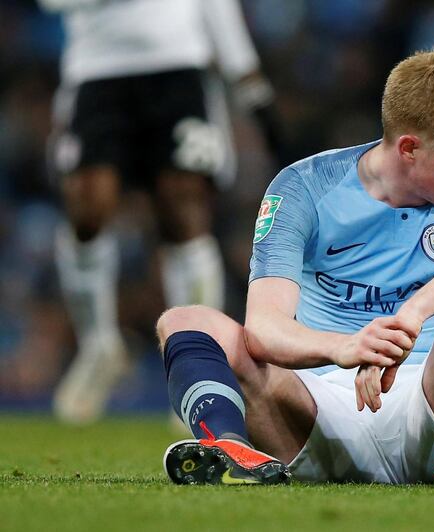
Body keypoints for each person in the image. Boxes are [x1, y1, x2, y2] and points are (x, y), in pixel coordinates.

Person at [156, 49, 434, 488]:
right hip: (318, 414)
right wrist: (346, 347)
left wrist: (414, 312)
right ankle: (228, 450)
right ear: (410, 148)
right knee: (184, 321)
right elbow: (263, 328)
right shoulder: (304, 186)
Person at [39, 0, 283, 423]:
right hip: (96, 71)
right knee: (87, 208)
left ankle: (198, 359)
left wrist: (246, 76)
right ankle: (99, 347)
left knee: (183, 210)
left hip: (177, 64)